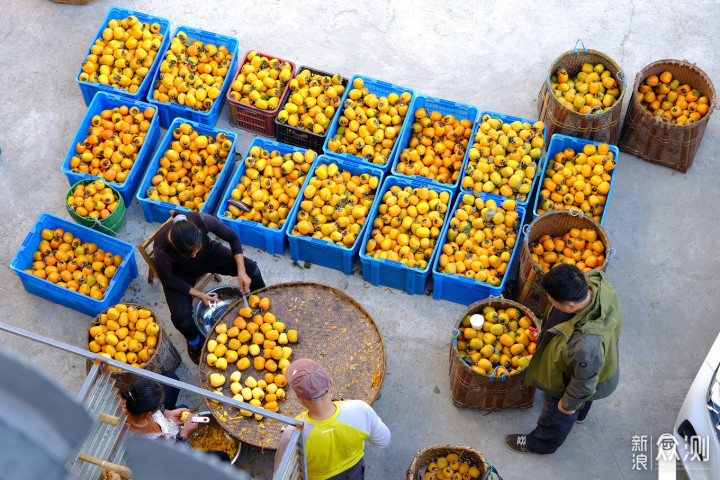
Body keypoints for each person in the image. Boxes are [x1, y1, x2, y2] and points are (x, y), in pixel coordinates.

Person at [505, 264, 621, 454]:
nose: (550, 303)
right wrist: (547, 334)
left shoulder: (585, 344)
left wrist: (567, 406)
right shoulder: (595, 282)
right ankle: (580, 414)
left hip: (578, 379)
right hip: (600, 367)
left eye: (553, 301)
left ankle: (541, 443)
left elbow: (583, 383)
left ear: (570, 306)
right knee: (584, 398)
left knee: (557, 413)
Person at [154, 211, 265, 363]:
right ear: (175, 246)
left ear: (199, 233)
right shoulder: (161, 250)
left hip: (209, 255)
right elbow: (168, 278)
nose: (193, 256)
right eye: (189, 254)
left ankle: (263, 300)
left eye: (195, 250)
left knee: (252, 269)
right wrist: (198, 294)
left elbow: (232, 237)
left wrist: (241, 270)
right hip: (180, 274)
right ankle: (194, 341)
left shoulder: (201, 221)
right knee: (181, 319)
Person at [274, 358, 391, 480]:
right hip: (354, 473)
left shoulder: (293, 432)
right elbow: (383, 441)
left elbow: (282, 473)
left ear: (298, 398)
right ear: (330, 382)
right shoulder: (360, 409)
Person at [119, 371, 231, 462]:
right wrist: (184, 435)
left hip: (162, 423)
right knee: (223, 458)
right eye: (158, 408)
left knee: (170, 377)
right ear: (148, 414)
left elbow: (152, 410)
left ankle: (172, 410)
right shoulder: (142, 446)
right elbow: (174, 462)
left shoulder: (127, 400)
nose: (159, 408)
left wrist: (166, 413)